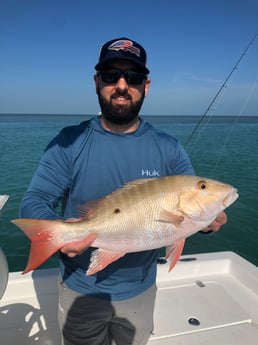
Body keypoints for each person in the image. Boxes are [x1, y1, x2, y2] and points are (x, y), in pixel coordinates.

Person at [20, 37, 227, 345]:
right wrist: (62, 236)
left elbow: (190, 214)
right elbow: (33, 202)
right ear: (96, 82)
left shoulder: (169, 148)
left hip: (140, 291)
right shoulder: (68, 142)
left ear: (146, 85)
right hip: (81, 289)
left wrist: (209, 223)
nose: (121, 85)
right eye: (110, 76)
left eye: (132, 78)